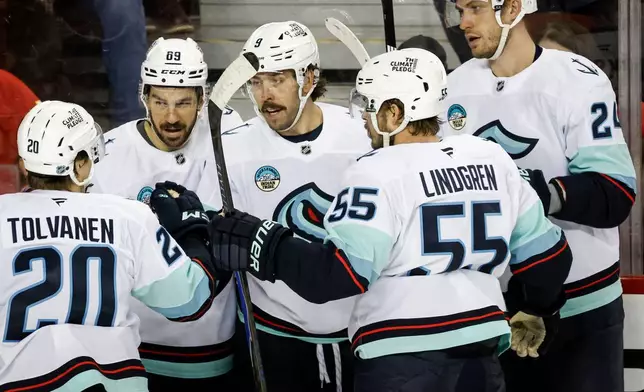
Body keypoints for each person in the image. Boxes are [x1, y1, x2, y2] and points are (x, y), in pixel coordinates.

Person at [205, 48, 574, 392]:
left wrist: (263, 242)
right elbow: (549, 257)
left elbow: (337, 277)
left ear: (395, 113)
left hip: (402, 362)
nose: (363, 119)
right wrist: (539, 307)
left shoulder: (377, 170)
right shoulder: (490, 157)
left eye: (369, 107)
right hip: (481, 356)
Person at [440, 1, 636, 392]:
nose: (463, 22)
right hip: (490, 309)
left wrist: (532, 191)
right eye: (458, 9)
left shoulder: (580, 81)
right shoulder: (451, 88)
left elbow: (615, 194)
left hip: (582, 307)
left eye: (475, 7)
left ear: (512, 7)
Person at [196, 20, 372, 392]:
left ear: (309, 79)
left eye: (277, 79)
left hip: (359, 332)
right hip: (273, 337)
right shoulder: (232, 147)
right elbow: (214, 231)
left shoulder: (360, 134)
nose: (265, 95)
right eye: (257, 82)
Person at [0, 101, 217, 391]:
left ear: (25, 163)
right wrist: (192, 233)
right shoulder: (128, 216)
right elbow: (189, 302)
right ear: (80, 163)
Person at [88, 37, 243, 390]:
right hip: (135, 351)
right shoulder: (107, 157)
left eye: (184, 103)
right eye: (160, 102)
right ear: (143, 97)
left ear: (203, 100)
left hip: (213, 347)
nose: (171, 117)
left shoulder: (230, 136)